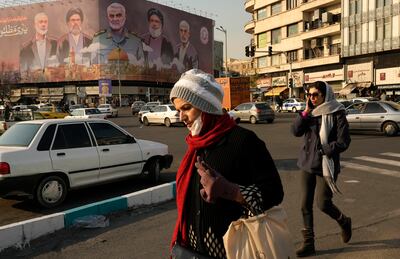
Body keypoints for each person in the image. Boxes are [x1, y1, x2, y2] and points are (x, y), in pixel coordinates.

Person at [170, 69, 284, 258]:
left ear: (206, 106)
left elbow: (274, 193)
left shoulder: (243, 141)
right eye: (178, 110)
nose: (181, 117)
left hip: (234, 249)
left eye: (186, 108)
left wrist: (230, 191)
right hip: (192, 250)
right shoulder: (195, 145)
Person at [291, 81, 352, 257]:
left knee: (323, 203)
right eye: (309, 95)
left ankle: (344, 221)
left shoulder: (337, 112)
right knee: (305, 205)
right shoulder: (309, 113)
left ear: (326, 95)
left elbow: (344, 141)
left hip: (326, 164)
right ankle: (309, 244)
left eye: (316, 95)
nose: (312, 98)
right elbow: (295, 131)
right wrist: (305, 112)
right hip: (306, 164)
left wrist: (325, 149)